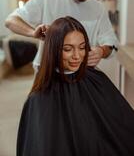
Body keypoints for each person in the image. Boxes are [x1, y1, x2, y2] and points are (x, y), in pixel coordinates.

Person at [17, 16, 134, 156]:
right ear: (53, 49)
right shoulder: (39, 98)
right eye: (68, 49)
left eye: (82, 47)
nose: (77, 56)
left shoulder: (98, 80)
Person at [5, 0, 118, 71]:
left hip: (82, 75)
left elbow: (112, 43)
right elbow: (11, 21)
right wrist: (33, 32)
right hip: (48, 73)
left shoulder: (98, 9)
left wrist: (102, 51)